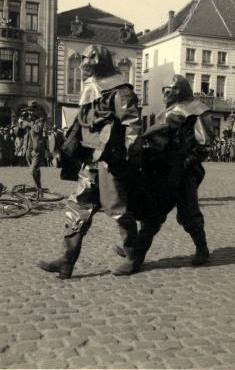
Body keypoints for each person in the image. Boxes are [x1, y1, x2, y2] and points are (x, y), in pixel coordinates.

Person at [39, 44, 142, 279]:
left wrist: (128, 159)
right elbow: (81, 124)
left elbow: (132, 125)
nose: (84, 67)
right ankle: (66, 261)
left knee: (117, 211)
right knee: (77, 208)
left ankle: (134, 257)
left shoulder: (120, 90)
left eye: (88, 62)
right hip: (90, 161)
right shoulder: (91, 88)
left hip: (110, 161)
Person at [116, 74, 214, 274]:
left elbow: (204, 144)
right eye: (164, 91)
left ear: (181, 90)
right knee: (153, 214)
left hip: (185, 171)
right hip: (162, 171)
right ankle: (136, 256)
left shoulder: (197, 110)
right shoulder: (163, 113)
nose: (166, 95)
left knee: (189, 213)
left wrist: (187, 163)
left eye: (170, 90)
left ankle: (202, 249)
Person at [15, 104, 46, 197]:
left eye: (32, 111)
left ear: (36, 111)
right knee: (35, 171)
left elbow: (38, 129)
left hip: (37, 149)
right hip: (28, 149)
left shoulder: (40, 120)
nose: (30, 113)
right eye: (29, 111)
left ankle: (39, 190)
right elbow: (18, 134)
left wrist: (28, 122)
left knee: (33, 170)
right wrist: (20, 123)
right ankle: (39, 191)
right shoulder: (27, 122)